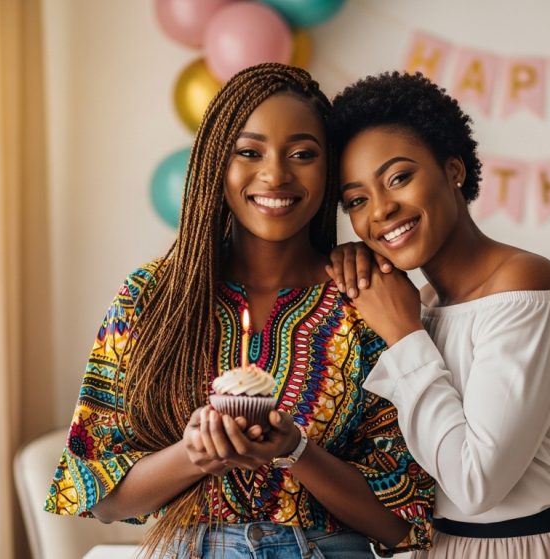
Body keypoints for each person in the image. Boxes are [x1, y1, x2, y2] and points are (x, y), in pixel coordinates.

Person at [45, 64, 433, 559]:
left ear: (330, 169)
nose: (275, 175)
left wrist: (295, 450)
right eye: (249, 152)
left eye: (303, 154)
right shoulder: (150, 298)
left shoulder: (366, 298)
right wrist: (196, 454)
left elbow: (404, 522)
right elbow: (97, 496)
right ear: (216, 163)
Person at [325, 71, 550, 558]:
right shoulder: (419, 304)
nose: (380, 211)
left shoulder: (524, 285)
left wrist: (403, 336)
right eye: (357, 200)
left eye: (399, 178)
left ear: (453, 170)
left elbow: (474, 483)